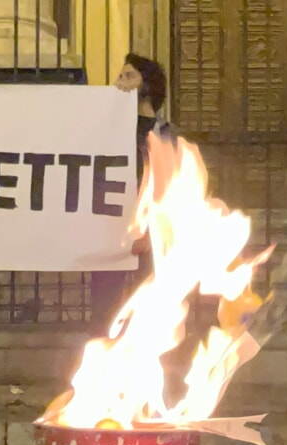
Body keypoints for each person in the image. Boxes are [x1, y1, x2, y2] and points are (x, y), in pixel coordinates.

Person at [89, 53, 174, 332]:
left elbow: (168, 185)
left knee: (146, 309)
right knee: (104, 309)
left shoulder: (165, 134)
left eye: (129, 76)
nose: (120, 82)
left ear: (147, 85)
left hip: (148, 237)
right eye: (120, 76)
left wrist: (150, 230)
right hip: (109, 230)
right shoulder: (108, 129)